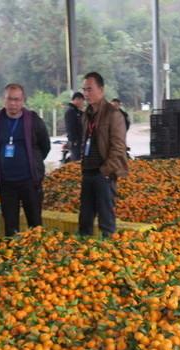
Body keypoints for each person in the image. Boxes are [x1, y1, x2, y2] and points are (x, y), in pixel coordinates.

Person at [0, 83, 51, 236]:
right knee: (10, 227)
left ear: (23, 101)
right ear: (3, 100)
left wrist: (34, 163)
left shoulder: (34, 120)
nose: (13, 103)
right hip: (6, 183)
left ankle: (37, 255)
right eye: (9, 99)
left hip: (30, 181)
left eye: (17, 99)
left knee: (35, 225)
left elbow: (45, 146)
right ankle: (15, 256)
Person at [77, 72, 128, 239]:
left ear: (101, 90)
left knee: (106, 218)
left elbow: (118, 148)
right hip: (88, 172)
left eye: (90, 89)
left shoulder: (113, 114)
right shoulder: (86, 114)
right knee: (85, 218)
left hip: (103, 174)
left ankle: (108, 253)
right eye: (84, 90)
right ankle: (84, 251)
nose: (86, 94)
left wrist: (105, 171)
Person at [63, 92, 85, 162]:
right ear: (77, 99)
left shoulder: (76, 111)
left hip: (79, 142)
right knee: (76, 162)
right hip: (75, 143)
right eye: (82, 101)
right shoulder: (71, 111)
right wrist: (74, 141)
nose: (82, 104)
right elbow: (70, 128)